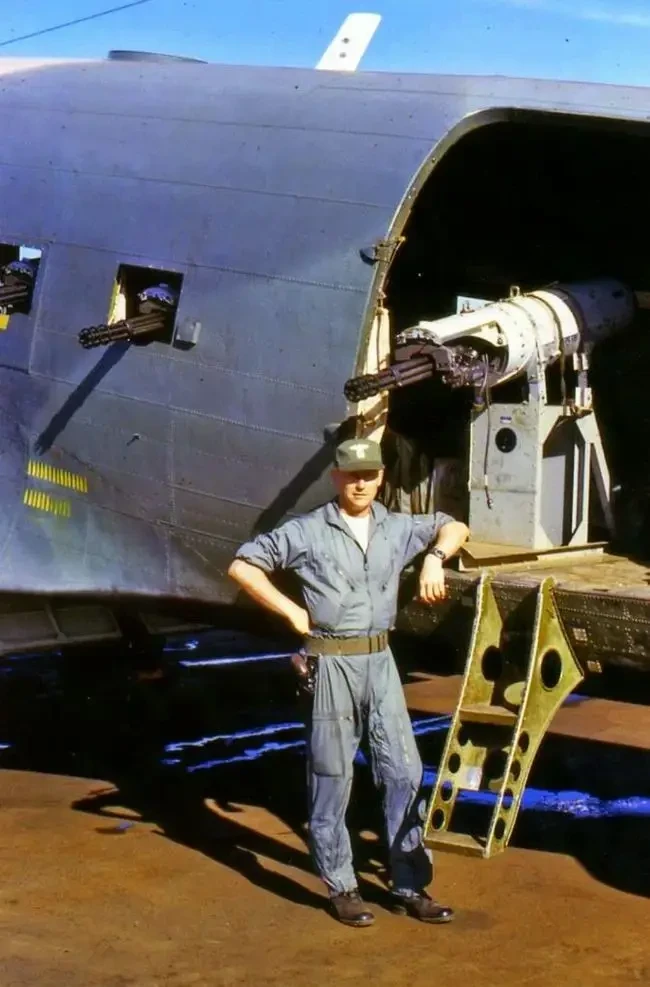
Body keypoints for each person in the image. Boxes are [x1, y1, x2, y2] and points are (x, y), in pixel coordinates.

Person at [228, 437, 469, 927]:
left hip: (380, 662)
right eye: (351, 475)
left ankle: (409, 884)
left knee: (404, 772)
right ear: (336, 478)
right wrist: (293, 612)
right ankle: (343, 887)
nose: (360, 483)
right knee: (331, 776)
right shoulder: (307, 530)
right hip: (331, 663)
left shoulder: (397, 527)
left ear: (381, 478)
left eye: (369, 475)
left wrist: (434, 558)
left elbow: (455, 525)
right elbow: (242, 566)